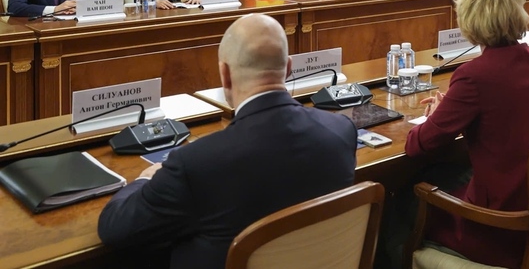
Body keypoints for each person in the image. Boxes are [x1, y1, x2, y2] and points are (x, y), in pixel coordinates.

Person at [97, 14, 358, 269]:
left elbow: (115, 228)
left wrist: (144, 179)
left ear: (224, 73)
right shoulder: (341, 130)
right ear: (289, 68)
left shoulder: (196, 164)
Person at [405, 0, 529, 268]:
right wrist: (451, 108)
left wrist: (439, 114)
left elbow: (417, 145)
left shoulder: (475, 75)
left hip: (499, 227)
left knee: (402, 200)